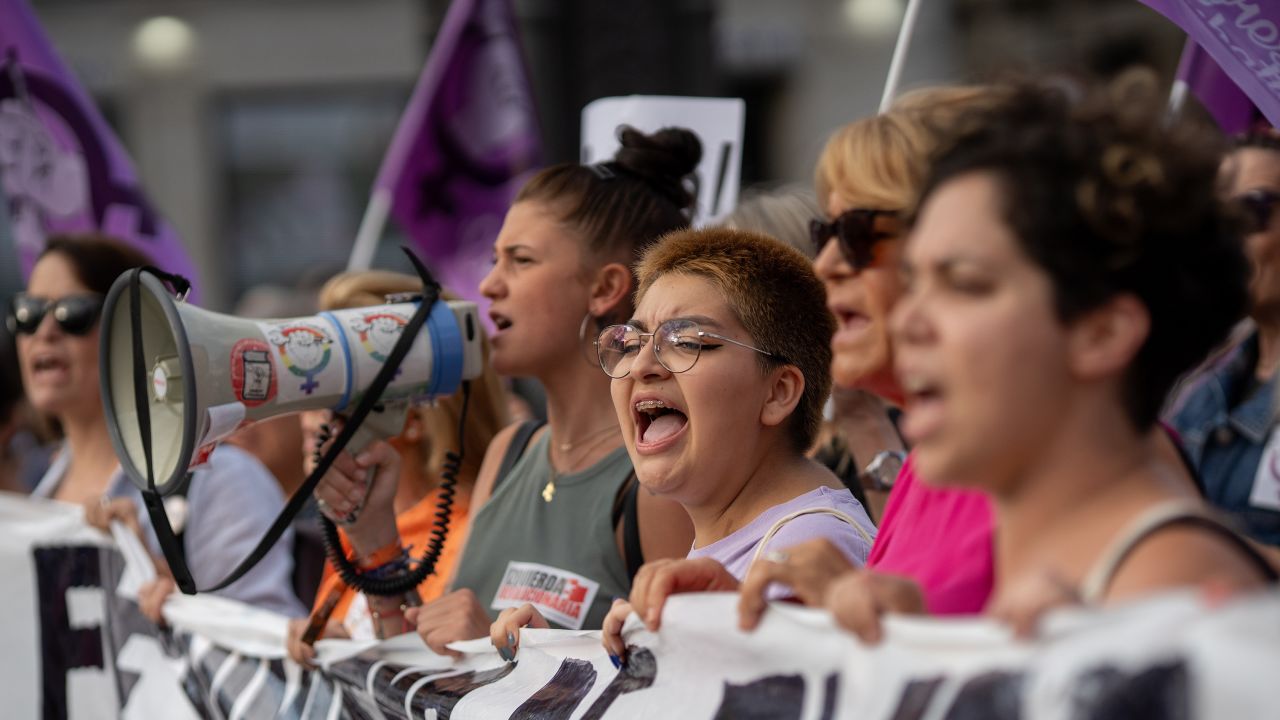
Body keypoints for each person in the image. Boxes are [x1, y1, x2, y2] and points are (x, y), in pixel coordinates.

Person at [837, 79, 1275, 639]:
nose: (907, 322)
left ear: (1101, 333)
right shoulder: (1073, 583)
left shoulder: (1166, 591)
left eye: (966, 284)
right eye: (914, 281)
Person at [314, 127, 698, 656]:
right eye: (495, 260)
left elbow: (680, 689)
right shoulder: (510, 451)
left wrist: (509, 660)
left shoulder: (655, 481)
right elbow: (434, 678)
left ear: (605, 288)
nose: (490, 284)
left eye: (520, 260)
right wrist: (374, 539)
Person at [531, 227, 874, 665]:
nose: (641, 366)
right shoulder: (747, 534)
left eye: (687, 342)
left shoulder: (812, 543)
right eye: (631, 343)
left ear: (778, 393)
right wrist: (553, 661)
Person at [14, 234, 304, 617]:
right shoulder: (33, 502)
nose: (44, 332)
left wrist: (173, 606)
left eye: (72, 312)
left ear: (136, 331)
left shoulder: (219, 479)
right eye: (28, 313)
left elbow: (272, 658)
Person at [285, 271, 508, 664]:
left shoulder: (469, 534)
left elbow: (434, 679)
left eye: (334, 384)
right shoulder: (355, 529)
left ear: (414, 410)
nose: (308, 415)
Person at [1167, 128, 1280, 548]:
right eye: (1216, 219)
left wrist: (1213, 556)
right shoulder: (1197, 390)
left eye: (1253, 211)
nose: (1228, 238)